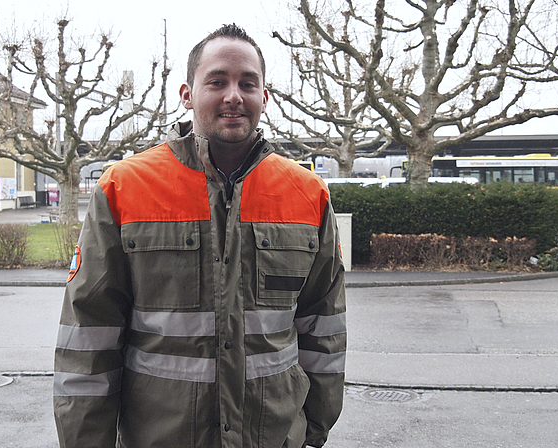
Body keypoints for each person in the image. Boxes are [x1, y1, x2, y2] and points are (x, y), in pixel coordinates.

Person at [53, 24, 346, 448]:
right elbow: (89, 334)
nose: (233, 95)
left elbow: (325, 327)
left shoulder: (308, 193)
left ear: (263, 97)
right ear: (187, 94)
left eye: (247, 83)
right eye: (217, 81)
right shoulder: (124, 188)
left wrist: (312, 432)